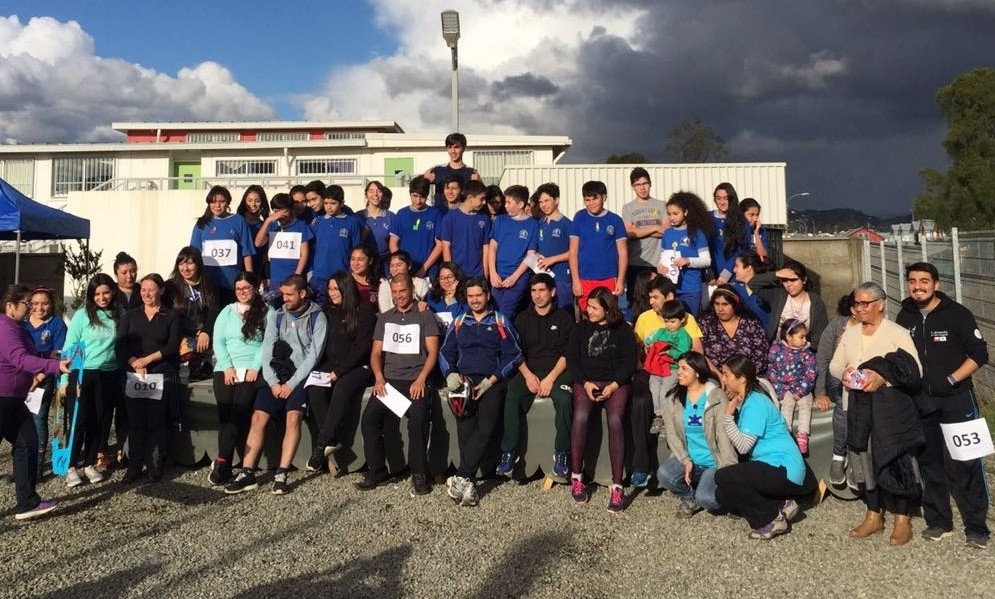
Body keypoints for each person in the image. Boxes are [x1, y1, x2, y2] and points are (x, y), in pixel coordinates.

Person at [896, 262, 990, 548]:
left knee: (968, 463)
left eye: (924, 281)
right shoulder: (905, 316)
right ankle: (939, 521)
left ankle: (977, 527)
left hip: (957, 400)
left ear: (936, 284)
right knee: (929, 462)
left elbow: (979, 354)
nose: (918, 286)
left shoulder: (958, 314)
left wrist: (951, 380)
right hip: (922, 403)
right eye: (912, 281)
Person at [829, 281, 923, 546]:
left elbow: (915, 369)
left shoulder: (897, 333)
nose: (859, 308)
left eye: (864, 303)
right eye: (856, 303)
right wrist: (846, 374)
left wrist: (883, 377)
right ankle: (873, 514)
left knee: (895, 456)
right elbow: (835, 365)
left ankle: (902, 517)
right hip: (856, 405)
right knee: (862, 456)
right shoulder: (850, 333)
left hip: (889, 408)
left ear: (880, 305)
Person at [225, 275, 327, 495]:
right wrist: (272, 382)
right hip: (275, 375)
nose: (285, 299)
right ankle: (247, 472)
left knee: (294, 417)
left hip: (300, 376)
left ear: (302, 293)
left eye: (290, 295)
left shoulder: (317, 317)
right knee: (258, 417)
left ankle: (281, 473)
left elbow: (313, 356)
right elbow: (267, 350)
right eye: (283, 294)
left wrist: (291, 384)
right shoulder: (277, 316)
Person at [440, 278, 523, 507]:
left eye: (479, 295)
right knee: (466, 433)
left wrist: (493, 379)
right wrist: (450, 373)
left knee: (484, 430)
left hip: (492, 383)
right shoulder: (458, 323)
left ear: (487, 295)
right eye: (470, 296)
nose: (475, 300)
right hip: (463, 382)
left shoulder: (499, 320)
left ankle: (460, 476)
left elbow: (514, 354)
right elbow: (446, 352)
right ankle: (468, 486)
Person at [359, 274, 440, 496]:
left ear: (411, 289)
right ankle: (377, 471)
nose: (398, 296)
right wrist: (378, 377)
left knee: (418, 421)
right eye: (394, 292)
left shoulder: (425, 316)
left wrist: (422, 378)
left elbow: (433, 351)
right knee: (369, 419)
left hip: (417, 379)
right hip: (390, 381)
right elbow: (376, 353)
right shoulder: (385, 318)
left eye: (402, 291)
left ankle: (419, 473)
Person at [715, 355, 810, 539]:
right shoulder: (746, 400)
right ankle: (781, 504)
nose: (723, 378)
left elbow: (743, 446)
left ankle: (771, 519)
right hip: (769, 465)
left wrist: (728, 418)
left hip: (783, 467)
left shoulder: (756, 402)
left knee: (723, 477)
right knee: (722, 494)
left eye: (726, 374)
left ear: (741, 378)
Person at [567, 288, 639, 512]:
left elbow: (629, 362)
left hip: (615, 382)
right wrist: (585, 382)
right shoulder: (580, 329)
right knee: (580, 416)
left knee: (616, 420)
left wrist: (614, 385)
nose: (588, 310)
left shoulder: (623, 330)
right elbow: (572, 359)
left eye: (594, 307)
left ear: (607, 310)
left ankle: (617, 486)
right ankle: (577, 476)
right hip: (587, 380)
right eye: (588, 306)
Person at [0, 284, 69, 520]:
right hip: (2, 397)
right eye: (26, 304)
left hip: (14, 399)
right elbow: (18, 359)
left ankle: (27, 502)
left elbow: (28, 356)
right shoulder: (5, 327)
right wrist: (53, 366)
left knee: (28, 442)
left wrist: (47, 358)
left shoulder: (18, 328)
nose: (30, 308)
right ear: (10, 306)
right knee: (27, 442)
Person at [629, 275, 705, 486]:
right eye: (649, 297)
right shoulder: (645, 318)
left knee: (674, 398)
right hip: (650, 369)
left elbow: (697, 350)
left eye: (655, 297)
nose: (651, 301)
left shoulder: (685, 317)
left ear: (669, 296)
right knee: (641, 402)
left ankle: (685, 462)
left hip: (677, 369)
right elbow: (636, 345)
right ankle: (640, 466)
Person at [497, 273, 574, 480]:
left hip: (558, 373)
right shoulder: (522, 318)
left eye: (541, 290)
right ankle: (508, 453)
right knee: (512, 395)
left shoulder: (565, 319)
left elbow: (568, 354)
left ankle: (562, 455)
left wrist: (550, 379)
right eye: (533, 291)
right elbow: (515, 352)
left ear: (552, 292)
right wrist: (528, 376)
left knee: (565, 400)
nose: (537, 295)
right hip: (529, 371)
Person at [306, 272, 375, 475]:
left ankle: (321, 445)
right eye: (329, 289)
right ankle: (332, 438)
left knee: (342, 388)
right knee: (315, 387)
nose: (332, 293)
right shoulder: (330, 312)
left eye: (336, 289)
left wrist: (338, 372)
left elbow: (361, 349)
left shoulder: (364, 312)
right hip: (334, 364)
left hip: (360, 367)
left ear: (346, 288)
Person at [116, 274, 181, 483]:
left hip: (159, 373)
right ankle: (134, 465)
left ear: (161, 291)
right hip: (134, 374)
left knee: (156, 421)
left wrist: (147, 360)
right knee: (135, 422)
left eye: (151, 289)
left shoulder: (170, 316)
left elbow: (172, 346)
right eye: (143, 290)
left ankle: (154, 465)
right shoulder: (131, 316)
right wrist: (135, 362)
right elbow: (121, 345)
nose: (146, 294)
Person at [656, 352, 737, 518]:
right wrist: (685, 460)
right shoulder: (674, 399)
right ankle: (689, 497)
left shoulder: (716, 396)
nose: (679, 372)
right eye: (678, 368)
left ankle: (727, 498)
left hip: (714, 462)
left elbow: (723, 435)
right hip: (691, 460)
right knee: (664, 475)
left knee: (707, 499)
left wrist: (729, 469)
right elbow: (672, 435)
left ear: (698, 371)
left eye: (684, 368)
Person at [58, 275, 120, 487]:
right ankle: (71, 466)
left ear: (112, 292)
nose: (102, 297)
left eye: (106, 292)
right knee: (80, 420)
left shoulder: (118, 314)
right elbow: (70, 346)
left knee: (101, 419)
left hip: (109, 373)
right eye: (97, 294)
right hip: (84, 373)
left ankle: (89, 462)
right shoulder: (82, 315)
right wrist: (64, 379)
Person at [209, 272, 270, 486]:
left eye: (246, 288)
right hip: (226, 369)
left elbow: (266, 343)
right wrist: (227, 367)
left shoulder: (266, 312)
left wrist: (255, 367)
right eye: (238, 289)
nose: (242, 292)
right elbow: (218, 342)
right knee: (225, 417)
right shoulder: (226, 312)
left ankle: (221, 461)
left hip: (251, 369)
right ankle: (224, 463)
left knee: (238, 413)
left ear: (255, 288)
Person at [813, 292, 857, 486]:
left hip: (867, 377)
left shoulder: (877, 326)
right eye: (858, 304)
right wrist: (820, 392)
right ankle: (839, 455)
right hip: (839, 378)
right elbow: (822, 359)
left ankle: (858, 459)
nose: (861, 308)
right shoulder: (838, 325)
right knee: (843, 405)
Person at [21, 286, 66, 474]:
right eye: (35, 303)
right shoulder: (22, 324)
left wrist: (38, 378)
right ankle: (22, 461)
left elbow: (58, 355)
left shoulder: (56, 324)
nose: (40, 308)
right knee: (21, 420)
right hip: (22, 377)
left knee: (38, 419)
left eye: (45, 303)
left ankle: (37, 464)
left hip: (43, 379)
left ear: (51, 304)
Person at [189, 185, 256, 306]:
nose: (217, 206)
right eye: (213, 202)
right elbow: (194, 254)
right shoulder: (201, 224)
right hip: (208, 284)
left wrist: (250, 279)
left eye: (222, 202)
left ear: (228, 202)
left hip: (232, 283)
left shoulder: (239, 221)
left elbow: (247, 252)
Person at [569, 181, 627, 312]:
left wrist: (620, 281)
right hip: (585, 278)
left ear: (604, 197)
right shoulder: (579, 217)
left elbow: (622, 252)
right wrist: (575, 281)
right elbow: (573, 252)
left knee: (608, 314)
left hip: (609, 278)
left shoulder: (615, 220)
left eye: (595, 198)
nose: (591, 203)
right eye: (587, 200)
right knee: (587, 315)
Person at [168, 247, 220, 383]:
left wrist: (206, 331)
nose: (185, 268)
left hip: (202, 332)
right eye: (181, 263)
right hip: (179, 333)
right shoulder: (171, 286)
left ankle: (204, 366)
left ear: (198, 265)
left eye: (190, 263)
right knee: (189, 346)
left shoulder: (209, 285)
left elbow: (214, 311)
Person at [488, 185, 539, 322]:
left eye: (509, 203)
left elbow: (531, 255)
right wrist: (492, 273)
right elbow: (492, 247)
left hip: (518, 278)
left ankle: (506, 342)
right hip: (498, 276)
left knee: (505, 314)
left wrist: (514, 277)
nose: (505, 206)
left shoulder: (533, 225)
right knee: (496, 312)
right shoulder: (500, 220)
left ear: (521, 204)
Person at [767, 318, 818, 454]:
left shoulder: (807, 354)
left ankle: (802, 435)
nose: (805, 340)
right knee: (787, 404)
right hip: (783, 389)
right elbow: (771, 370)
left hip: (802, 388)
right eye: (801, 337)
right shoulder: (776, 350)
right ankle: (786, 434)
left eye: (805, 337)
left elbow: (810, 374)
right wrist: (779, 389)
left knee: (806, 403)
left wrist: (801, 391)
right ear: (789, 336)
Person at [658, 192, 713, 316]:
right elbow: (662, 259)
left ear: (686, 212)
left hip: (691, 288)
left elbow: (707, 260)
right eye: (669, 214)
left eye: (675, 213)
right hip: (671, 289)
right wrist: (660, 267)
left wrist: (688, 261)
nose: (672, 217)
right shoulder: (667, 234)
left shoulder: (697, 233)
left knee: (691, 322)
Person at [642, 300, 693, 435]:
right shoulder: (661, 332)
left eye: (672, 322)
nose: (669, 325)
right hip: (658, 367)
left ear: (681, 320)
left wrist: (670, 352)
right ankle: (658, 414)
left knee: (666, 390)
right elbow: (651, 340)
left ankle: (665, 418)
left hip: (673, 368)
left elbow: (683, 351)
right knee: (654, 386)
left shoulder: (683, 335)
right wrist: (649, 346)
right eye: (666, 321)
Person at [254, 192, 313, 305]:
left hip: (293, 276)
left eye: (284, 211)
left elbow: (304, 254)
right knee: (275, 309)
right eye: (276, 211)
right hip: (275, 278)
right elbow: (258, 243)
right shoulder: (272, 226)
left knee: (293, 306)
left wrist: (297, 275)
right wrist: (267, 221)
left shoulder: (300, 226)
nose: (281, 215)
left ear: (291, 210)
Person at [700, 285, 769, 378]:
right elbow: (700, 355)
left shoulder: (750, 323)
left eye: (725, 304)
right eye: (716, 304)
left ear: (735, 305)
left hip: (748, 378)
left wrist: (742, 380)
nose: (720, 309)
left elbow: (761, 355)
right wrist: (722, 378)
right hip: (716, 378)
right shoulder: (706, 323)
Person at [621, 167, 667, 305]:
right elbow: (629, 232)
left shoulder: (661, 205)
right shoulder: (628, 208)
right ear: (633, 187)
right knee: (636, 302)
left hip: (657, 264)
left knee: (656, 302)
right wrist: (655, 227)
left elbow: (665, 230)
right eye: (638, 185)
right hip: (636, 262)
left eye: (645, 183)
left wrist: (639, 230)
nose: (642, 188)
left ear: (650, 183)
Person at [310, 185, 362, 301]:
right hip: (319, 277)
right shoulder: (317, 222)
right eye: (326, 203)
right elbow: (310, 249)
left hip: (341, 277)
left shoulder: (351, 222)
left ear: (342, 203)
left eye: (333, 203)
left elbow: (356, 250)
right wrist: (311, 272)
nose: (329, 207)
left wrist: (351, 274)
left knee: (340, 310)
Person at [763, 259, 829, 347]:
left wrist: (807, 347)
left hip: (804, 354)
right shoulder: (779, 296)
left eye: (793, 280)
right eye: (785, 280)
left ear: (804, 280)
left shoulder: (815, 302)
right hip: (778, 353)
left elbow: (821, 333)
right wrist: (776, 274)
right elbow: (753, 284)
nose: (788, 284)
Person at [389, 175, 444, 277]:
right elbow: (393, 243)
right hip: (405, 272)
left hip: (428, 271)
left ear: (427, 195)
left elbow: (440, 245)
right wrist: (402, 266)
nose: (418, 201)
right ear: (409, 194)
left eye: (422, 197)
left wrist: (424, 268)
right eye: (415, 196)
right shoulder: (402, 214)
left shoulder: (436, 214)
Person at [437, 179, 491, 278]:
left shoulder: (485, 219)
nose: (484, 202)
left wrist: (486, 273)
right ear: (470, 198)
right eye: (481, 199)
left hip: (478, 274)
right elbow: (446, 247)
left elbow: (486, 247)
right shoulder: (450, 218)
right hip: (458, 274)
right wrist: (451, 273)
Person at [534, 182, 573, 311]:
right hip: (543, 275)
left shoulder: (567, 224)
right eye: (541, 202)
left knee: (564, 311)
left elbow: (574, 252)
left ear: (556, 200)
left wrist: (552, 259)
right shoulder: (540, 223)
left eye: (547, 200)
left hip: (562, 276)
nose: (544, 205)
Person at [708, 182, 749, 285]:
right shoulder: (707, 219)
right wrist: (708, 271)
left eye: (726, 198)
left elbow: (742, 250)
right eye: (718, 198)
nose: (722, 202)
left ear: (732, 199)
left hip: (734, 277)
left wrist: (727, 273)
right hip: (710, 278)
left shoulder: (741, 221)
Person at [423, 132, 479, 206]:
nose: (453, 151)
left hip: (461, 216)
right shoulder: (438, 170)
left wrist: (477, 183)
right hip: (441, 216)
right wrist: (424, 179)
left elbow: (479, 198)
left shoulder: (472, 173)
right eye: (450, 147)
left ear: (464, 148)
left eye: (456, 147)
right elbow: (418, 189)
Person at [730, 250, 773, 330]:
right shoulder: (734, 289)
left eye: (737, 266)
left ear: (748, 268)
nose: (734, 270)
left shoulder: (767, 289)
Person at [357, 180, 395, 270]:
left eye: (379, 191)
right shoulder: (358, 217)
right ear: (366, 194)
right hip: (365, 265)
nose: (375, 194)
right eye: (371, 191)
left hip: (385, 264)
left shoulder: (391, 217)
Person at [236, 185, 270, 276]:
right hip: (238, 269)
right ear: (244, 201)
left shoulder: (265, 225)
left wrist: (265, 275)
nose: (253, 204)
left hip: (258, 268)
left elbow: (265, 255)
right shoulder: (237, 222)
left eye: (257, 201)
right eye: (249, 200)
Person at [349, 245, 380, 311]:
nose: (356, 263)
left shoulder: (379, 283)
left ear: (370, 261)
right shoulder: (345, 281)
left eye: (360, 259)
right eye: (353, 259)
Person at [739, 197, 768, 263]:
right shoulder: (737, 230)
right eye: (751, 215)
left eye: (757, 215)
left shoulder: (761, 231)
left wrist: (756, 233)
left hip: (756, 268)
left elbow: (763, 256)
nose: (755, 219)